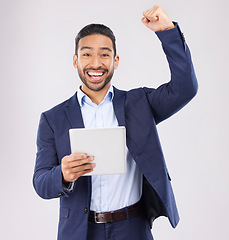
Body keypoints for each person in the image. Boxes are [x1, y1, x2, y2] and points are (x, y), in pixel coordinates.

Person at [33, 5, 198, 240]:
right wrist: (63, 174)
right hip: (81, 231)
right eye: (87, 54)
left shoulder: (139, 103)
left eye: (105, 54)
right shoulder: (53, 118)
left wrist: (167, 32)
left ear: (116, 60)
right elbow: (40, 182)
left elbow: (185, 88)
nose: (96, 63)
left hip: (132, 227)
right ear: (75, 60)